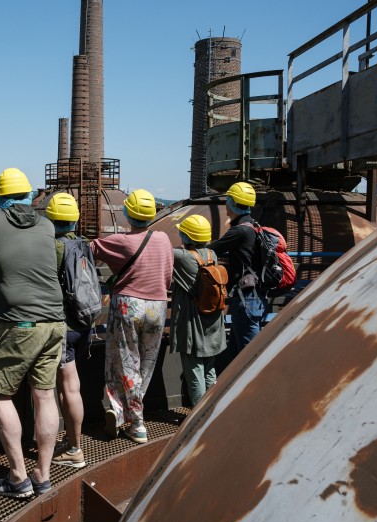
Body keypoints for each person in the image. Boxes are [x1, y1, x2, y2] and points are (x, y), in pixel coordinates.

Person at [0, 167, 66, 499]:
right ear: (28, 197)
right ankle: (42, 474)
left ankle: (19, 477)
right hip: (55, 322)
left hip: (19, 324)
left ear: (1, 198)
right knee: (45, 395)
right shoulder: (48, 224)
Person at [89, 189, 173, 444]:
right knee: (146, 364)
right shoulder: (163, 239)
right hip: (158, 306)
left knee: (124, 362)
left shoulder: (121, 241)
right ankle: (129, 412)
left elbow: (90, 248)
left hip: (128, 305)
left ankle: (132, 419)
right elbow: (168, 275)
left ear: (128, 214)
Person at [45, 192, 91, 468]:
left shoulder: (53, 247)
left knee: (66, 390)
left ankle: (74, 449)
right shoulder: (85, 244)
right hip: (83, 322)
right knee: (71, 388)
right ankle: (71, 442)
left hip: (62, 323)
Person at [207, 181, 268, 357]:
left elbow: (212, 250)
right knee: (234, 352)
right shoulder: (254, 226)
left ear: (232, 201)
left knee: (250, 355)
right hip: (255, 296)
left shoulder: (239, 231)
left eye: (228, 199)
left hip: (246, 299)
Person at [171, 214, 226, 405]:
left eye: (181, 232)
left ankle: (199, 417)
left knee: (194, 371)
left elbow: (161, 250)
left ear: (187, 236)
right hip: (213, 321)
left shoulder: (183, 257)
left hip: (193, 324)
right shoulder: (212, 255)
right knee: (209, 370)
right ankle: (212, 410)